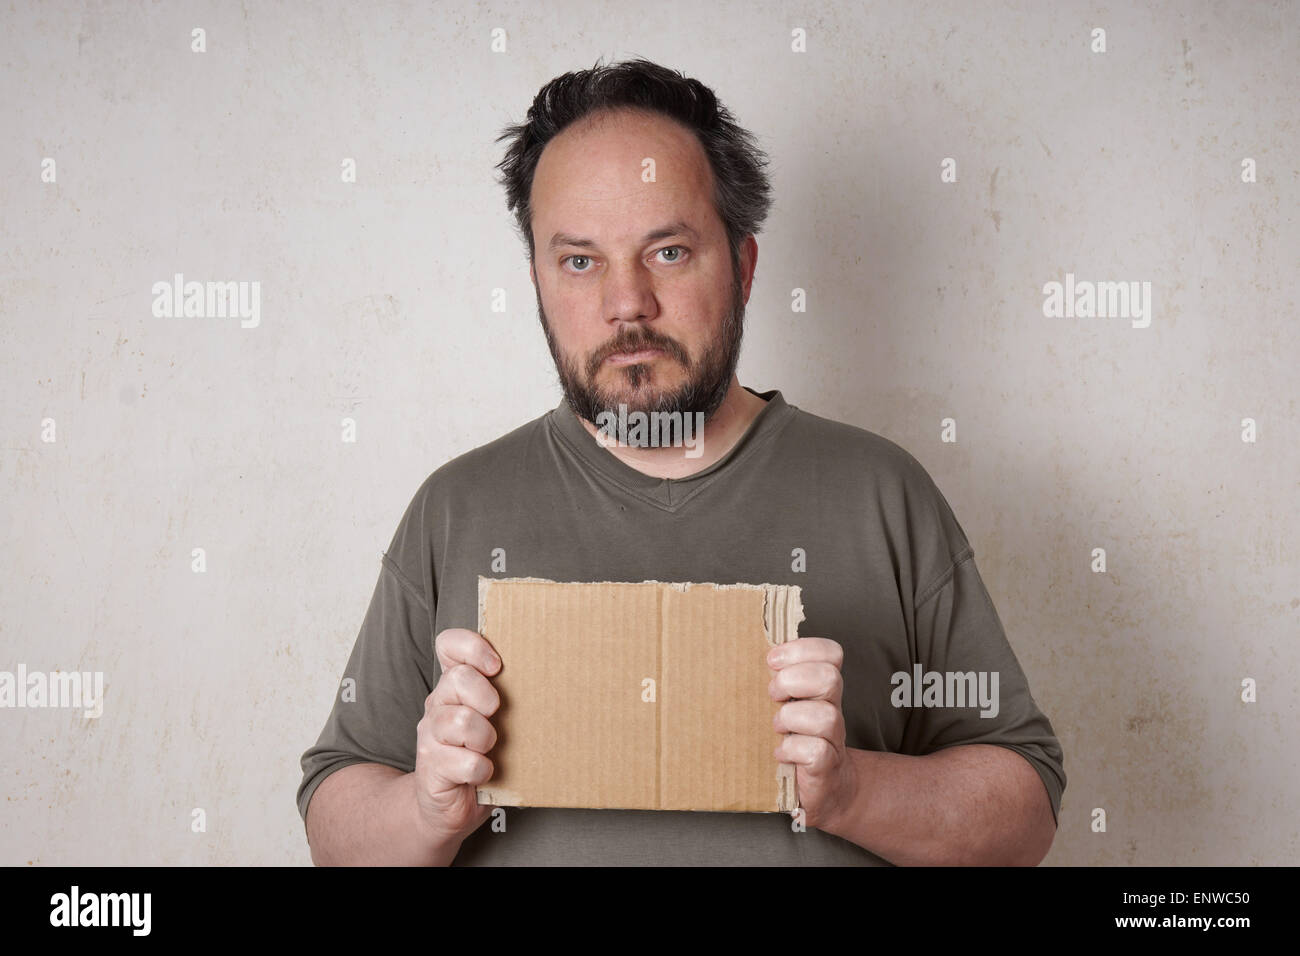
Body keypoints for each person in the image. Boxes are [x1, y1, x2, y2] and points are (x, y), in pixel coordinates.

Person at [297, 57, 1065, 866]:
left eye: (667, 251)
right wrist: (425, 809)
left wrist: (854, 792)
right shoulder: (455, 509)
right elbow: (334, 819)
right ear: (537, 283)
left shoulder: (882, 493)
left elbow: (1026, 808)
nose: (626, 303)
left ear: (742, 266)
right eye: (580, 260)